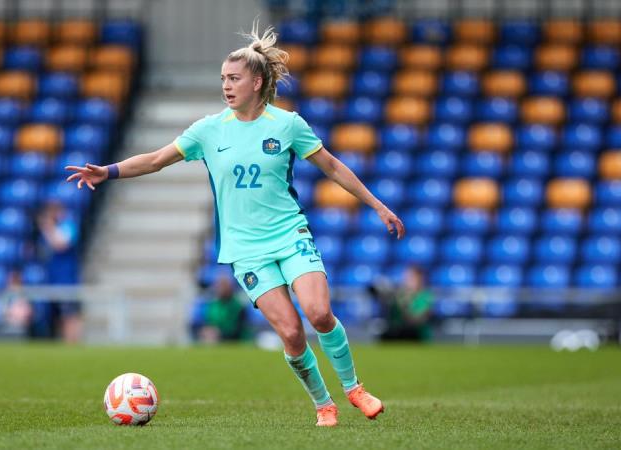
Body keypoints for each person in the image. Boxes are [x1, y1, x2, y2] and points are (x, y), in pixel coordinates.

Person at [66, 23, 405, 427]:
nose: (226, 86)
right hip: (245, 250)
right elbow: (155, 160)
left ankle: (354, 389)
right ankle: (323, 404)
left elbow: (331, 166)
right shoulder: (209, 130)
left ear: (257, 82)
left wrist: (377, 206)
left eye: (234, 78)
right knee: (292, 334)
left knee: (318, 313)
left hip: (289, 234)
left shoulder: (287, 124)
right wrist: (109, 171)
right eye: (223, 79)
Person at [36, 201, 83, 344]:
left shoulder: (68, 226)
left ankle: (73, 341)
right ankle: (59, 341)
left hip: (67, 276)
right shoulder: (45, 231)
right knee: (54, 313)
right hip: (52, 276)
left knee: (70, 312)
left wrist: (48, 227)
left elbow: (60, 244)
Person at [373, 266, 435, 342]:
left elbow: (418, 319)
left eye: (411, 278)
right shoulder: (400, 294)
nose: (407, 281)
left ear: (420, 279)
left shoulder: (424, 296)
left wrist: (404, 305)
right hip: (399, 332)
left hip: (417, 334)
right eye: (407, 278)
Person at [196, 274, 249, 343]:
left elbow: (238, 329)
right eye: (219, 286)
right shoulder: (212, 305)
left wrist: (220, 334)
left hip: (233, 340)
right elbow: (208, 323)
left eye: (224, 286)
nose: (221, 289)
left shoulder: (238, 306)